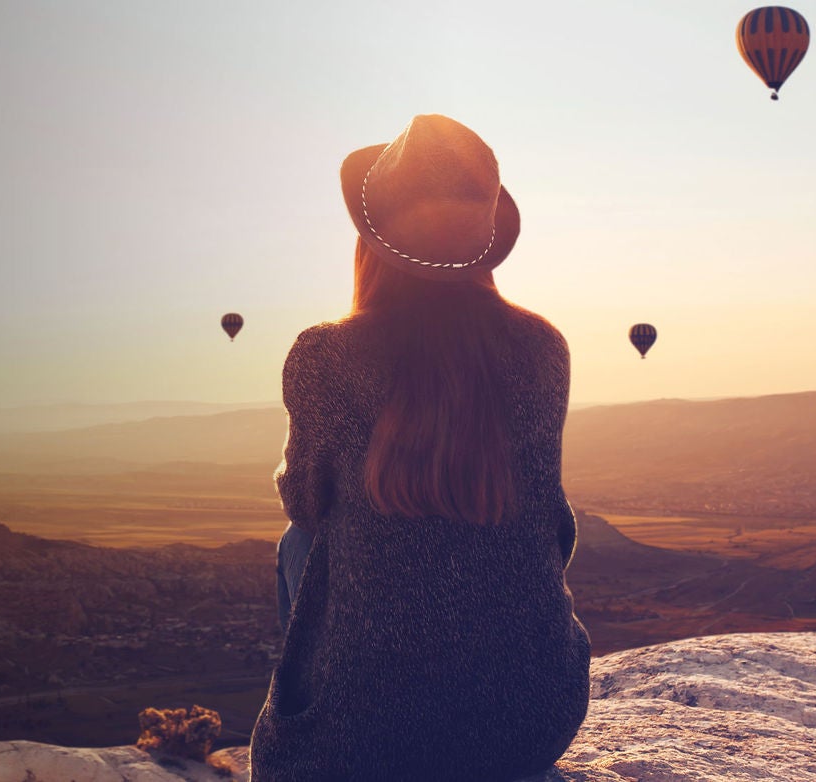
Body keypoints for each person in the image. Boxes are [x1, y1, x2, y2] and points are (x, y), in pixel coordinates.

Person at [251, 115, 593, 782]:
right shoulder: (543, 349)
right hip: (530, 720)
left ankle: (346, 700)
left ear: (372, 242)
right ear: (486, 245)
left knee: (300, 542)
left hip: (359, 747)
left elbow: (307, 502)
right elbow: (545, 514)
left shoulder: (324, 355)